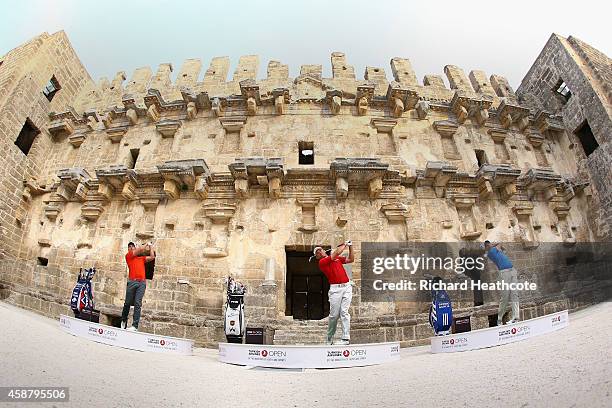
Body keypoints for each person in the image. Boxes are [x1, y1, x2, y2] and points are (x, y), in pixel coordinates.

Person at [314, 241, 354, 345]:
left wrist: (351, 247)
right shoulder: (322, 262)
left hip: (346, 286)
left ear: (324, 250)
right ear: (317, 256)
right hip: (335, 290)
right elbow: (336, 252)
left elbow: (351, 259)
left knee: (344, 312)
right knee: (334, 315)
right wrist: (345, 244)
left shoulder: (336, 259)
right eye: (317, 252)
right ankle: (330, 337)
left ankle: (345, 338)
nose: (319, 251)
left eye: (320, 249)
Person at [121, 242, 155, 331]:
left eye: (133, 246)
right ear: (128, 249)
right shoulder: (128, 256)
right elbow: (139, 249)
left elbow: (152, 257)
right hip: (132, 282)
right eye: (130, 247)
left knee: (137, 303)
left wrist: (151, 246)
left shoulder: (141, 258)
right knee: (127, 303)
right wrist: (144, 244)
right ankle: (123, 319)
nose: (131, 248)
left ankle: (134, 326)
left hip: (141, 283)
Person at [484, 240, 520, 325]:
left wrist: (500, 247)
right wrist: (494, 244)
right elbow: (499, 243)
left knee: (515, 294)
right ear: (487, 246)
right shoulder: (491, 252)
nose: (490, 245)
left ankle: (516, 317)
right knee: (505, 296)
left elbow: (502, 247)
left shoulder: (496, 250)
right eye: (488, 244)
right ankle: (499, 318)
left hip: (512, 270)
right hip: (504, 273)